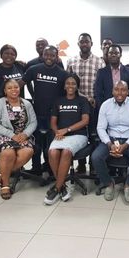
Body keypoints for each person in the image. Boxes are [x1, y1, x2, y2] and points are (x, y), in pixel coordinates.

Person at [92, 81, 129, 204]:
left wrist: (126, 145)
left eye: (123, 90)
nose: (119, 93)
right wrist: (110, 144)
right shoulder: (105, 105)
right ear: (112, 91)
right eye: (117, 89)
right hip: (111, 138)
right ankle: (109, 183)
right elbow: (100, 128)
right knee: (96, 157)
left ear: (127, 91)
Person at [44, 74, 90, 205]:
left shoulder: (82, 101)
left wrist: (67, 129)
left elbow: (85, 121)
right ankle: (63, 186)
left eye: (73, 84)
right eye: (68, 83)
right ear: (64, 86)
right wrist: (57, 131)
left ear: (77, 86)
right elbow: (53, 121)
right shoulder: (58, 101)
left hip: (78, 135)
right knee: (52, 152)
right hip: (61, 135)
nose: (70, 86)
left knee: (66, 152)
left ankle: (56, 188)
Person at [23, 45, 68, 175]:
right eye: (46, 55)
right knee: (36, 143)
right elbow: (20, 83)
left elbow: (70, 91)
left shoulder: (62, 73)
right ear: (42, 55)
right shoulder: (33, 69)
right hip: (36, 113)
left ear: (56, 57)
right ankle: (35, 168)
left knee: (51, 144)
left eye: (52, 55)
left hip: (54, 116)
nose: (49, 57)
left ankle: (50, 168)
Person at [0, 79, 37, 199]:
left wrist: (25, 134)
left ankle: (3, 174)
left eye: (16, 87)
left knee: (28, 151)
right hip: (2, 136)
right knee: (8, 153)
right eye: (9, 88)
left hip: (22, 136)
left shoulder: (26, 103)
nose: (13, 90)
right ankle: (5, 185)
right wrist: (12, 135)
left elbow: (33, 122)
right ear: (4, 91)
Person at [67, 33, 105, 174]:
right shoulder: (71, 61)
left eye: (87, 42)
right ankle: (81, 164)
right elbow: (69, 83)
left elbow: (101, 84)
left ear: (91, 44)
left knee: (94, 133)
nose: (84, 44)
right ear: (78, 44)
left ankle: (94, 164)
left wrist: (95, 99)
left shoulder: (99, 61)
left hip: (94, 104)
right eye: (82, 42)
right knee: (80, 133)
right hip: (77, 104)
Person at [94, 44, 129, 109]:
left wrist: (128, 108)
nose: (113, 55)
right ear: (107, 55)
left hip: (126, 108)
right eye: (111, 53)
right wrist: (103, 108)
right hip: (107, 109)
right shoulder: (101, 72)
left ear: (121, 55)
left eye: (116, 53)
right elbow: (98, 94)